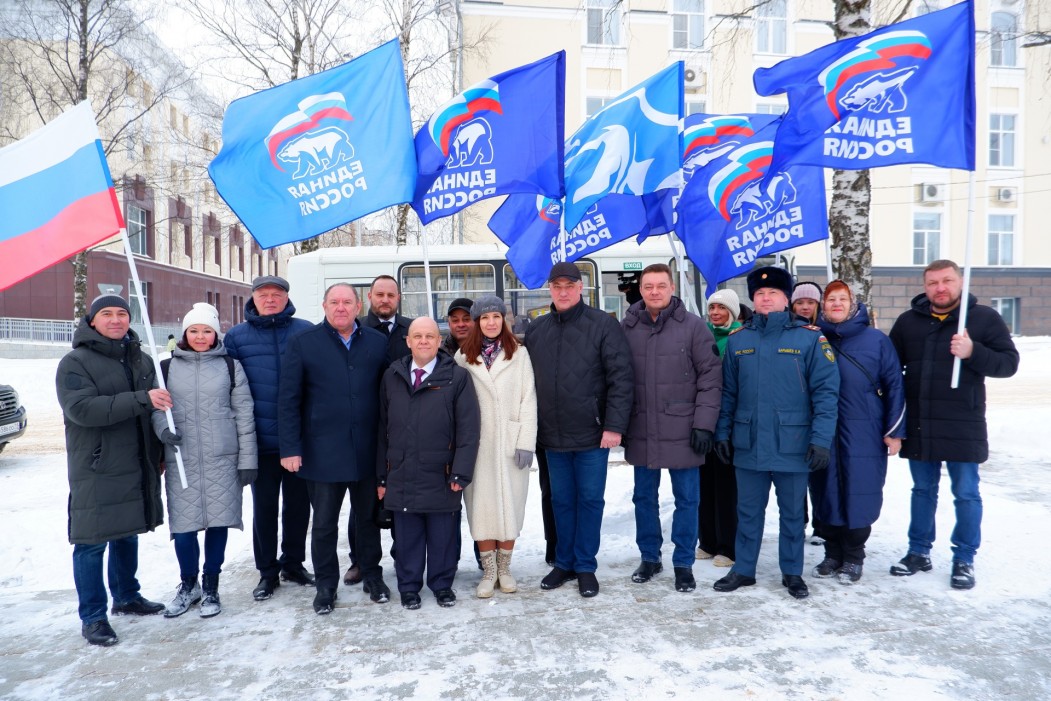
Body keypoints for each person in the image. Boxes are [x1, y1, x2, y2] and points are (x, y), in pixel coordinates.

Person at [887, 260, 1019, 590]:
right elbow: (889, 371)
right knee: (922, 491)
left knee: (966, 493)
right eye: (933, 282)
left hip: (963, 423)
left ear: (960, 282)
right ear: (925, 285)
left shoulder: (983, 319)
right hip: (920, 424)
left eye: (947, 280)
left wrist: (974, 351)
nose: (940, 288)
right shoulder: (908, 322)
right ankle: (918, 552)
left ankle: (964, 557)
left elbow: (1008, 364)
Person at [712, 267, 840, 600]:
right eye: (759, 294)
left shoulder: (810, 338)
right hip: (748, 442)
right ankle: (743, 569)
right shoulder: (740, 340)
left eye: (773, 294)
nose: (765, 298)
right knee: (748, 511)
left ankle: (792, 572)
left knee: (793, 514)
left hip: (793, 445)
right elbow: (727, 394)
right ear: (752, 300)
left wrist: (821, 440)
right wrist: (722, 434)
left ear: (786, 299)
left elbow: (826, 393)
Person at [56, 294, 169, 646]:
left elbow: (156, 411)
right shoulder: (76, 362)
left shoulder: (142, 359)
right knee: (91, 542)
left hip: (136, 461)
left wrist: (160, 450)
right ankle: (93, 616)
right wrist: (142, 398)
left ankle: (126, 595)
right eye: (107, 314)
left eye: (122, 313)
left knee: (127, 531)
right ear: (92, 321)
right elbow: (83, 410)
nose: (116, 320)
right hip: (98, 464)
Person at [278, 283, 391, 614]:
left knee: (367, 520)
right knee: (325, 524)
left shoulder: (376, 342)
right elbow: (288, 400)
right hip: (321, 452)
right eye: (334, 302)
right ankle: (326, 586)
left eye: (347, 302)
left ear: (358, 306)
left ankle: (372, 575)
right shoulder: (303, 343)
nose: (341, 307)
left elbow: (386, 396)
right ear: (324, 306)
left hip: (367, 450)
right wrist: (290, 448)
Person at [525, 261, 633, 598]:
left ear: (581, 287)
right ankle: (564, 562)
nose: (563, 291)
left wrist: (614, 426)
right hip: (552, 437)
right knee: (561, 501)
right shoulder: (537, 330)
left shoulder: (603, 325)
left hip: (592, 434)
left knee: (589, 500)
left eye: (569, 285)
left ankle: (585, 565)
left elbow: (621, 379)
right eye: (557, 286)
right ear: (550, 290)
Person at [153, 303, 258, 618]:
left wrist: (247, 459)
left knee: (218, 523)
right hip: (181, 459)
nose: (200, 336)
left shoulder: (230, 366)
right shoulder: (166, 368)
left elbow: (244, 414)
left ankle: (211, 585)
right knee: (183, 528)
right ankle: (189, 584)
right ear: (185, 333)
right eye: (194, 330)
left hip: (221, 458)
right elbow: (158, 410)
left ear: (216, 334)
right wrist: (162, 431)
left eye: (207, 330)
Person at [622, 265, 722, 593]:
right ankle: (650, 557)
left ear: (671, 287)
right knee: (644, 498)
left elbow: (710, 379)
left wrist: (704, 425)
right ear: (640, 288)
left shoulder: (694, 327)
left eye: (660, 285)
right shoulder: (628, 326)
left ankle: (683, 564)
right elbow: (616, 379)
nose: (654, 292)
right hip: (642, 426)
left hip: (684, 429)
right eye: (648, 286)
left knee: (687, 499)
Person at [378, 317, 481, 609]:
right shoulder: (392, 376)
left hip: (442, 472)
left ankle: (441, 584)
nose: (423, 341)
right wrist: (381, 477)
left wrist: (461, 471)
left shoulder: (457, 377)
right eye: (417, 336)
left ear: (439, 341)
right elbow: (381, 429)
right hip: (402, 470)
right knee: (407, 536)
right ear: (408, 341)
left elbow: (469, 429)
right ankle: (409, 586)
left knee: (442, 536)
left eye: (430, 336)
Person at [224, 275, 314, 601]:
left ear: (287, 298)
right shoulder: (236, 337)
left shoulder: (305, 330)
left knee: (298, 507)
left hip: (297, 440)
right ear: (254, 299)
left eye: (277, 294)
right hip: (258, 442)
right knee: (264, 509)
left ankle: (293, 563)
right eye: (264, 294)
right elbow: (226, 386)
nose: (271, 299)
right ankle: (267, 571)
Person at [809, 282, 905, 584]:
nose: (836, 304)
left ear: (852, 304)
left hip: (865, 429)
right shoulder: (813, 338)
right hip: (823, 430)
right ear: (823, 305)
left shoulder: (876, 340)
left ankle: (853, 556)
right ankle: (832, 552)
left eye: (842, 299)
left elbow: (894, 385)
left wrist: (894, 430)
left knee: (859, 490)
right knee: (825, 490)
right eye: (830, 299)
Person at [454, 296, 537, 598]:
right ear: (477, 322)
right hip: (476, 447)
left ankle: (505, 568)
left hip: (511, 443)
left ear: (505, 320)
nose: (491, 322)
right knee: (482, 509)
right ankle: (488, 571)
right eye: (485, 317)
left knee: (511, 506)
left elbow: (529, 399)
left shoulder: (520, 355)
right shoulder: (463, 357)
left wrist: (526, 440)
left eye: (496, 316)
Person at [697, 288, 742, 569]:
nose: (715, 313)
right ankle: (708, 541)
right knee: (705, 484)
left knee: (727, 488)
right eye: (712, 308)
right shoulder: (704, 337)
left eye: (721, 308)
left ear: (733, 312)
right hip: (705, 422)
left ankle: (728, 545)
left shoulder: (741, 338)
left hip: (730, 424)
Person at [791, 280, 824, 545]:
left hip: (822, 414)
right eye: (800, 302)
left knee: (821, 475)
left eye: (809, 302)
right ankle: (799, 521)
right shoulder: (790, 333)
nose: (804, 307)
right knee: (796, 475)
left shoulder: (825, 333)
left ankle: (822, 524)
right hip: (797, 416)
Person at [366, 274, 412, 361]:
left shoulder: (412, 328)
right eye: (380, 295)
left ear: (398, 298)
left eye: (391, 295)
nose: (385, 300)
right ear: (370, 296)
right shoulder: (356, 329)